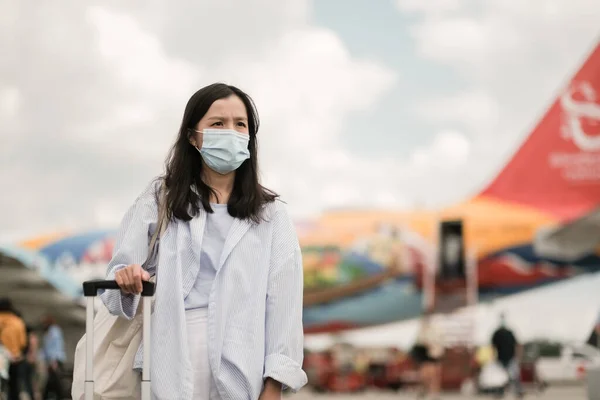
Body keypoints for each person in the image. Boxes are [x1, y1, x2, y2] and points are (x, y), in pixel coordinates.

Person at [100, 83, 307, 400]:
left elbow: (284, 306)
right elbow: (115, 283)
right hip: (172, 354)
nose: (231, 132)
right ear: (192, 136)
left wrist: (274, 384)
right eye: (217, 123)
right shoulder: (161, 198)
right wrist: (127, 277)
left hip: (244, 364)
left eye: (240, 124)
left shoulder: (272, 215)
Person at [411, 310, 444, 400]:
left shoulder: (437, 327)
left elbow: (439, 340)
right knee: (426, 374)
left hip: (434, 352)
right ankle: (424, 390)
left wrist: (435, 347)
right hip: (425, 351)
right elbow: (420, 340)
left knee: (434, 374)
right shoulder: (423, 327)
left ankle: (433, 393)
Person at [491, 313, 523, 399]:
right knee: (501, 377)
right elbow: (493, 346)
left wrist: (517, 356)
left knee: (514, 375)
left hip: (510, 357)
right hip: (501, 358)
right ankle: (500, 391)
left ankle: (518, 391)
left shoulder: (509, 333)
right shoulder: (496, 333)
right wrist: (493, 356)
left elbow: (517, 345)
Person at [0, 298, 27, 400]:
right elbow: (23, 343)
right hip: (14, 359)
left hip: (1, 360)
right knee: (14, 386)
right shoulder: (18, 322)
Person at [41, 315, 66, 400]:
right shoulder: (49, 332)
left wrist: (53, 361)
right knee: (53, 382)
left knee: (56, 382)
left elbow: (56, 347)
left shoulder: (53, 332)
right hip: (52, 361)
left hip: (55, 361)